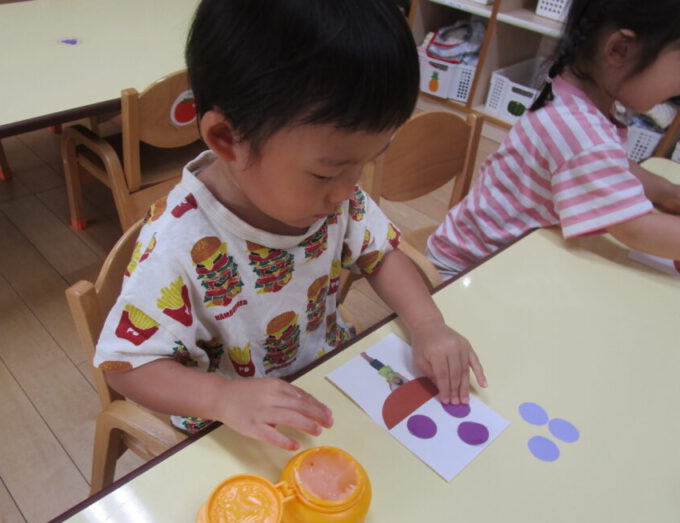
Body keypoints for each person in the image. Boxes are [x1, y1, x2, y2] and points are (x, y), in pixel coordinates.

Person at [94, 0, 486, 452]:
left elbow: (381, 253)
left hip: (326, 380)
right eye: (325, 173)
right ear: (227, 138)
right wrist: (221, 398)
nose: (348, 191)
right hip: (234, 425)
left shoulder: (334, 196)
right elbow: (127, 366)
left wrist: (428, 324)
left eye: (364, 163)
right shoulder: (176, 243)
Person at [426, 0, 680, 279]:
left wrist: (665, 191)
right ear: (619, 49)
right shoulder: (580, 130)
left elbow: (614, 166)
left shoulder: (574, 94)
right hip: (464, 270)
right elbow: (635, 228)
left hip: (497, 253)